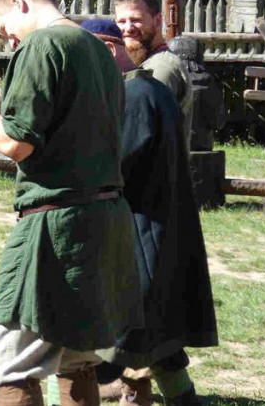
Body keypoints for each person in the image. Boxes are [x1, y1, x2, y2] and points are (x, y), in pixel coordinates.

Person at [0, 0, 141, 406]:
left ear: (20, 4)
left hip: (56, 227)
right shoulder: (97, 49)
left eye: (6, 27)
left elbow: (17, 143)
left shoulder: (42, 44)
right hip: (102, 221)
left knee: (13, 365)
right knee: (75, 360)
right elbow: (62, 127)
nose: (10, 40)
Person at [81, 20, 217, 406]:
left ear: (107, 52)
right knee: (160, 345)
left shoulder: (137, 95)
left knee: (80, 351)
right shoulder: (150, 90)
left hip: (138, 234)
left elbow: (114, 167)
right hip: (154, 231)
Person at [113, 0, 193, 143]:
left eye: (136, 20)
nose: (128, 28)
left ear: (157, 20)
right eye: (121, 21)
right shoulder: (146, 63)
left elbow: (142, 135)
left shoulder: (161, 69)